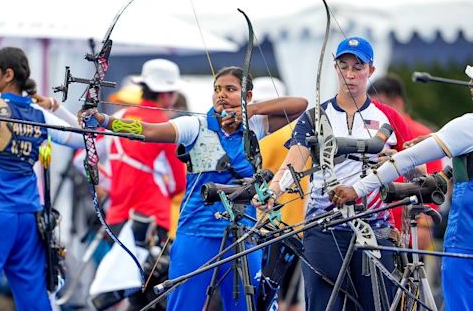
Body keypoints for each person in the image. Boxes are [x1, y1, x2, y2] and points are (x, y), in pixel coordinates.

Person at [79, 66, 308, 310]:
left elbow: (300, 105)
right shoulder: (195, 125)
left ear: (247, 96)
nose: (221, 95)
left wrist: (250, 110)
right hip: (196, 233)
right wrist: (105, 121)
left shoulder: (255, 126)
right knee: (184, 305)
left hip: (242, 234)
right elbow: (147, 131)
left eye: (230, 89)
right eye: (217, 89)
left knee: (246, 306)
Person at [256, 37, 417, 311]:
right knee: (323, 305)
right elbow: (292, 163)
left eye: (358, 67)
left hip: (374, 227)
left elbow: (417, 169)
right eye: (343, 67)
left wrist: (394, 160)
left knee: (376, 305)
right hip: (323, 227)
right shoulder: (314, 116)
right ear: (335, 68)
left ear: (371, 71)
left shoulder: (386, 118)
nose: (350, 74)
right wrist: (273, 191)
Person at [332, 64, 473, 311]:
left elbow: (405, 160)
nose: (470, 86)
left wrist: (358, 189)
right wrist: (437, 140)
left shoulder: (467, 126)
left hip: (465, 242)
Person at [0, 47, 85, 311]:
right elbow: (83, 138)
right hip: (27, 218)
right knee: (34, 299)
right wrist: (56, 107)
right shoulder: (41, 116)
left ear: (7, 75)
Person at [73, 59, 187, 309]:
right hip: (151, 219)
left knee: (128, 285)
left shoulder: (119, 116)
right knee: (150, 289)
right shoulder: (167, 127)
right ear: (167, 93)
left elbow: (82, 157)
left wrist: (110, 184)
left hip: (116, 216)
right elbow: (180, 183)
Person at [368, 74, 443, 250]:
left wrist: (425, 225)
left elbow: (434, 183)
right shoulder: (372, 132)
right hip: (377, 227)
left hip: (411, 229)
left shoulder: (420, 134)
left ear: (398, 102)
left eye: (381, 104)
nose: (378, 110)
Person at [253, 76, 306, 311]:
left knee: (265, 296)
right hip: (298, 224)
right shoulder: (302, 129)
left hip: (266, 224)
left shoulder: (259, 134)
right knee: (291, 298)